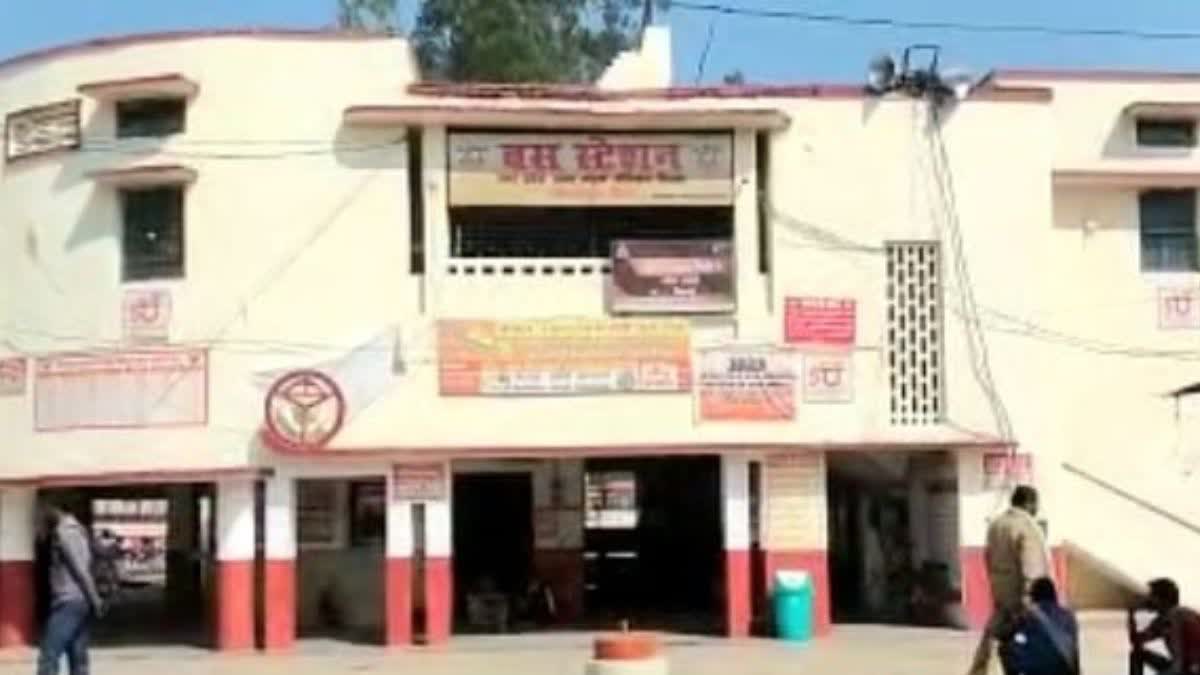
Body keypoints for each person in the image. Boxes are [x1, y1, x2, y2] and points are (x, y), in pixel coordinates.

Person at [968, 485, 1053, 675]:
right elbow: (1032, 569)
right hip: (1023, 604)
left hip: (1002, 599)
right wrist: (1030, 604)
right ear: (1030, 503)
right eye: (1035, 505)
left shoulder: (996, 525)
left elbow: (988, 559)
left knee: (993, 649)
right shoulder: (1026, 527)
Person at [36, 501, 105, 675]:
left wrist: (95, 599)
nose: (40, 514)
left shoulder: (65, 532)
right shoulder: (75, 530)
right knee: (77, 655)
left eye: (42, 509)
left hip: (68, 601)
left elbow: (81, 569)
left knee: (49, 654)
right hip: (78, 601)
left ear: (54, 508)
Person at [999, 577, 1080, 675]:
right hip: (1064, 669)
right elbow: (1073, 650)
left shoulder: (1028, 615)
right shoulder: (1068, 616)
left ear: (1034, 596)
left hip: (1036, 670)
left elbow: (1001, 633)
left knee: (1004, 648)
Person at [1128, 578, 1200, 675]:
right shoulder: (1184, 614)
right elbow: (1136, 642)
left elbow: (1182, 660)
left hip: (1188, 670)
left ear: (1161, 599)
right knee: (1137, 655)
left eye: (1151, 596)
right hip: (1185, 667)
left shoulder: (1172, 617)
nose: (1148, 599)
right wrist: (1131, 615)